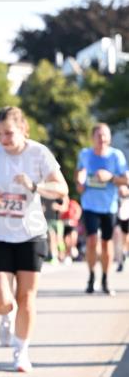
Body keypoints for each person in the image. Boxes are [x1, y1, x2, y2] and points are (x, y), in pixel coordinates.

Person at [0, 106, 68, 372]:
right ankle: (6, 317)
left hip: (31, 233)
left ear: (23, 128)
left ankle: (21, 351)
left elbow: (61, 188)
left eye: (8, 133)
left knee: (26, 297)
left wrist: (35, 186)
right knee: (2, 301)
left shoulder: (39, 153)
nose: (4, 139)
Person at [76, 124, 128, 295]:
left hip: (109, 206)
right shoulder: (85, 154)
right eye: (98, 136)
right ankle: (91, 276)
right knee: (91, 240)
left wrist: (111, 177)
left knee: (106, 243)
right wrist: (80, 183)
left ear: (110, 138)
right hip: (90, 205)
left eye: (105, 135)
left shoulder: (116, 155)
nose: (102, 139)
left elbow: (125, 180)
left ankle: (105, 278)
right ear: (93, 138)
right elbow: (79, 177)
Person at [61, 196, 82, 263]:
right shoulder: (62, 204)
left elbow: (78, 210)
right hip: (65, 224)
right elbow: (60, 214)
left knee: (73, 238)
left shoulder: (73, 203)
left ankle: (73, 249)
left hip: (73, 223)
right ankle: (67, 255)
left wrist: (75, 218)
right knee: (66, 241)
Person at [114, 186, 129, 272]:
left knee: (126, 238)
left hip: (126, 217)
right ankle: (120, 261)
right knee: (117, 237)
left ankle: (124, 252)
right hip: (117, 217)